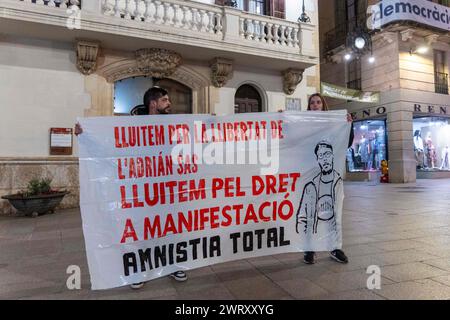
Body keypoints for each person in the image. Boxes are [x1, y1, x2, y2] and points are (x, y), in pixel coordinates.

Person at [75, 86, 188, 289]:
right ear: (153, 104)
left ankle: (174, 264)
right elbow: (110, 147)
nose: (169, 104)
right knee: (142, 230)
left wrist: (210, 125)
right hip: (143, 190)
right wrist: (87, 136)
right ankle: (139, 270)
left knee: (171, 228)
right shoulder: (132, 127)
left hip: (168, 189)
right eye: (165, 100)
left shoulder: (173, 125)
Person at [302, 93, 352, 264]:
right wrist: (283, 118)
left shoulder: (333, 123)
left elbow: (347, 142)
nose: (315, 105)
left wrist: (348, 125)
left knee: (334, 213)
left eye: (318, 102)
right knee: (310, 214)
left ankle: (335, 247)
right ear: (309, 107)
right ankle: (309, 249)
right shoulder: (304, 124)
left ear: (323, 105)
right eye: (312, 103)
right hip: (311, 174)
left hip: (332, 177)